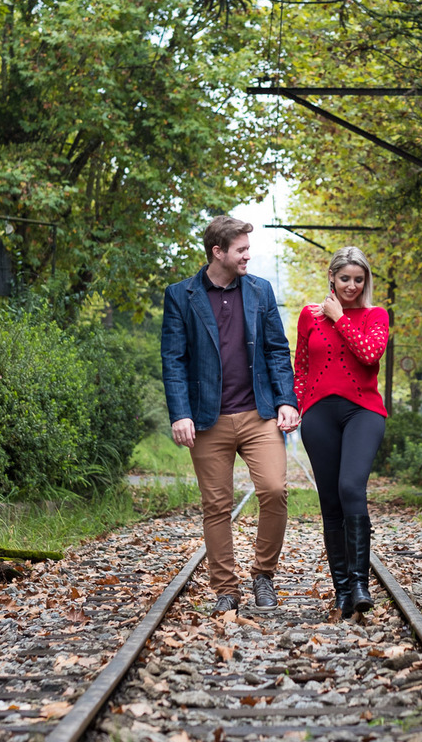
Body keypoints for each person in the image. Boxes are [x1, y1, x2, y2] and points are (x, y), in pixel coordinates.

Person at [161, 216, 300, 615]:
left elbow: (277, 350)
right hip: (207, 419)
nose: (247, 256)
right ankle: (226, 588)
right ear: (217, 252)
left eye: (247, 249)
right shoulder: (181, 295)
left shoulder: (260, 290)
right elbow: (174, 359)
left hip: (259, 413)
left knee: (274, 490)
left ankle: (263, 575)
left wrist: (287, 400)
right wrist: (180, 413)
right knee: (216, 506)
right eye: (240, 249)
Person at [294, 247, 389, 619]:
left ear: (365, 281)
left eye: (358, 279)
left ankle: (360, 583)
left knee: (351, 488)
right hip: (319, 414)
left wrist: (339, 317)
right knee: (330, 502)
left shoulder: (375, 315)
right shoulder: (308, 316)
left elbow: (370, 354)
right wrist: (300, 405)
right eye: (345, 278)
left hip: (363, 411)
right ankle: (342, 591)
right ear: (331, 277)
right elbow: (300, 365)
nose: (351, 285)